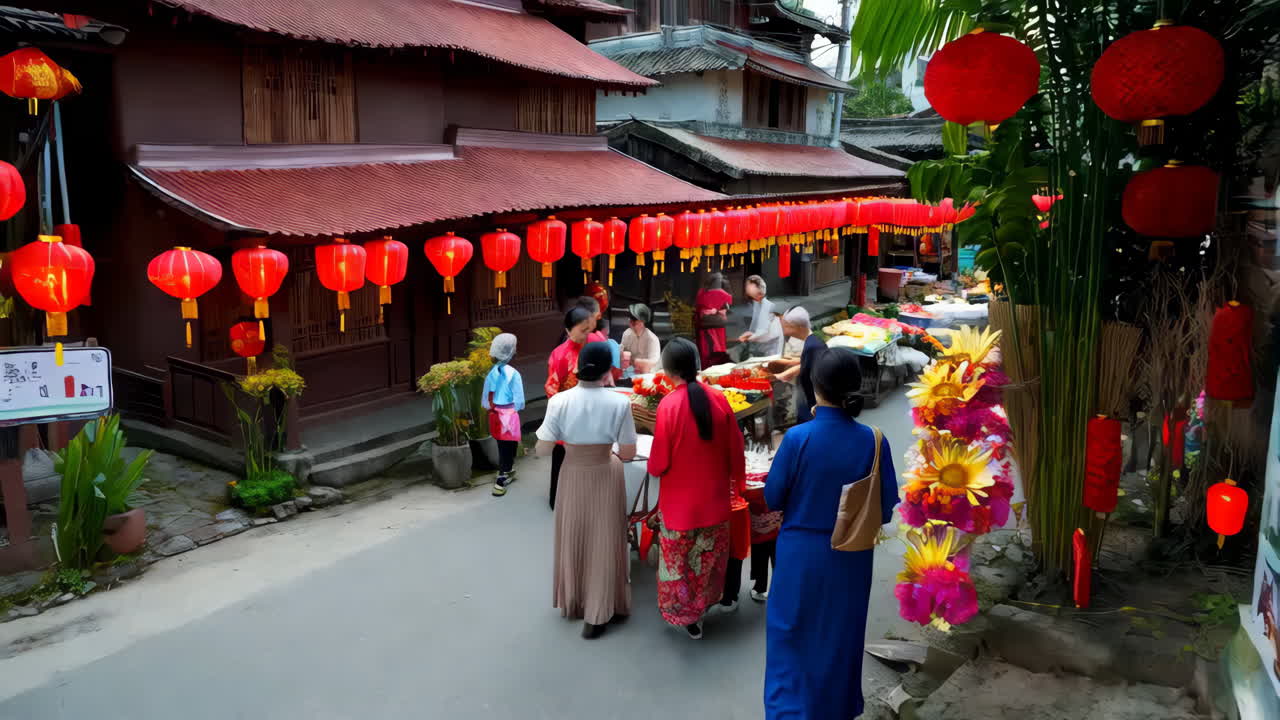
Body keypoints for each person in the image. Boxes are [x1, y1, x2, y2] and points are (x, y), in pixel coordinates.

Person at [763, 348, 899, 720]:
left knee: (791, 634)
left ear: (814, 385)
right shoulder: (874, 440)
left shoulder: (797, 439)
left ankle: (790, 712)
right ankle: (836, 709)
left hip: (801, 553)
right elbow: (885, 509)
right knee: (841, 635)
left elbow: (773, 498)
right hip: (852, 555)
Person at [535, 342, 637, 639]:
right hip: (605, 470)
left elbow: (543, 449)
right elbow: (628, 453)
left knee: (575, 534)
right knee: (605, 539)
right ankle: (600, 611)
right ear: (608, 371)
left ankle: (575, 600)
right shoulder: (620, 402)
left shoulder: (559, 402)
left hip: (572, 473)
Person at [646, 338, 745, 640]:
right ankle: (703, 609)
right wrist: (738, 486)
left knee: (681, 565)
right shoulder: (718, 399)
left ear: (667, 370)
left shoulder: (669, 405)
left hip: (680, 508)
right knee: (707, 563)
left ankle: (686, 616)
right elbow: (736, 451)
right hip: (715, 502)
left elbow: (658, 463)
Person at [545, 306, 596, 510]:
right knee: (562, 456)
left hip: (589, 409)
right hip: (567, 412)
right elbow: (551, 386)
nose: (586, 335)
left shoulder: (592, 347)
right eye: (582, 330)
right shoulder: (559, 354)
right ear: (568, 330)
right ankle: (556, 498)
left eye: (588, 330)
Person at [482, 333, 525, 497]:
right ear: (511, 351)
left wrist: (491, 407)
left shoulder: (491, 373)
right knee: (510, 444)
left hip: (494, 414)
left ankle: (507, 469)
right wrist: (515, 408)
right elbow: (519, 400)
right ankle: (501, 478)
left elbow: (485, 399)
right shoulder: (514, 374)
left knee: (502, 444)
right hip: (509, 413)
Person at [773, 306, 827, 424]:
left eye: (786, 326)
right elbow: (806, 361)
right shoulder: (811, 341)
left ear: (797, 327)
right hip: (807, 394)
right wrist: (786, 361)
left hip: (813, 400)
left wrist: (782, 375)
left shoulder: (813, 346)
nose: (783, 329)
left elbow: (808, 366)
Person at [739, 275, 782, 358]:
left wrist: (751, 336)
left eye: (757, 295)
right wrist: (751, 333)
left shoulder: (769, 306)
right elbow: (756, 325)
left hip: (771, 347)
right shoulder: (757, 303)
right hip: (760, 346)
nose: (756, 299)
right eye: (752, 297)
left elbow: (767, 332)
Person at [695, 273, 733, 366]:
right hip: (718, 327)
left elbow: (698, 308)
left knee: (705, 350)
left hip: (703, 328)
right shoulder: (724, 294)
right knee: (718, 348)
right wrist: (717, 311)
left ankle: (705, 367)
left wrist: (709, 311)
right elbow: (726, 308)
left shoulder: (701, 293)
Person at [621, 303, 662, 375]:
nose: (631, 322)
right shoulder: (626, 334)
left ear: (642, 322)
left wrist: (638, 362)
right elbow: (623, 354)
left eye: (634, 320)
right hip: (629, 372)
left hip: (648, 375)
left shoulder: (652, 339)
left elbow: (653, 363)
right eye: (631, 319)